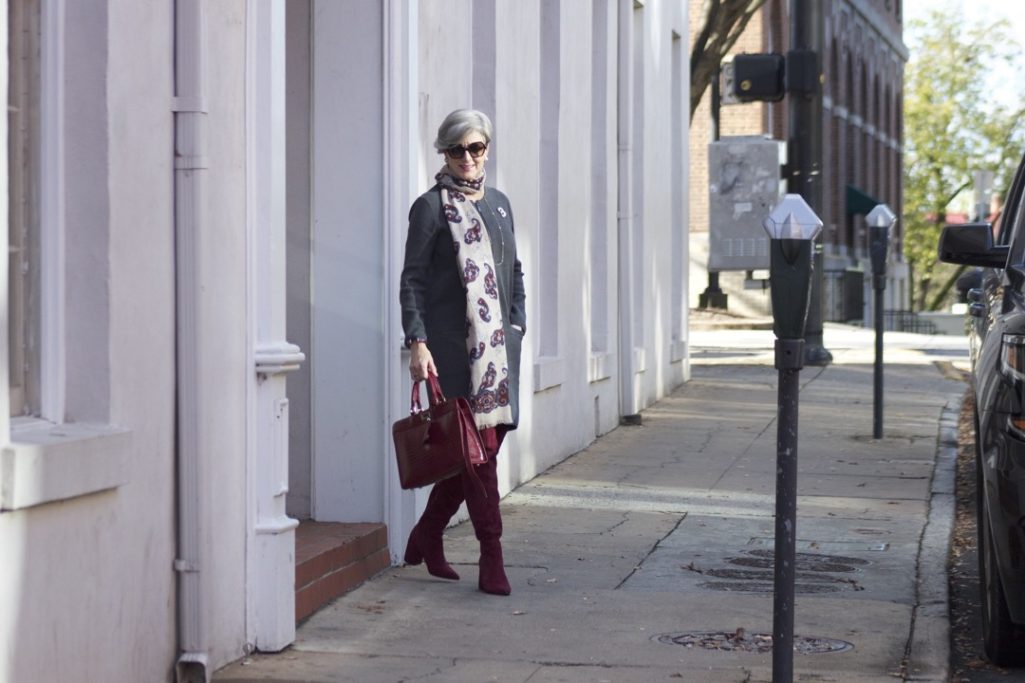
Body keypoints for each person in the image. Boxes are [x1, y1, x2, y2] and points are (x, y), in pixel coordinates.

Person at [399, 109, 526, 596]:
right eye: (457, 150)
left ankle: (428, 535)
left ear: (487, 149)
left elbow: (513, 270)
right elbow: (412, 280)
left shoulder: (499, 204)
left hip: (497, 355)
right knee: (478, 460)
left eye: (475, 148)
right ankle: (491, 556)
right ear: (444, 154)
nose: (468, 158)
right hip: (452, 353)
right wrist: (418, 340)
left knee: (473, 454)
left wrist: (516, 323)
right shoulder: (429, 208)